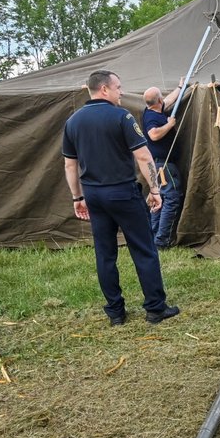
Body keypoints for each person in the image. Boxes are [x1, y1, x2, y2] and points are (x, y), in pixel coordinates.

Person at [63, 69, 180, 326]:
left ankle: (115, 313)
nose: (122, 92)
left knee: (105, 254)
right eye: (118, 87)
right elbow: (143, 156)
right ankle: (155, 308)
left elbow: (70, 166)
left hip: (94, 195)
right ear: (104, 89)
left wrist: (76, 198)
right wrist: (155, 190)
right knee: (144, 249)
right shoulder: (122, 117)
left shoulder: (73, 121)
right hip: (123, 194)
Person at [141, 77, 186, 249]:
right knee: (171, 198)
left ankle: (154, 237)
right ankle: (162, 241)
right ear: (158, 100)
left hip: (157, 165)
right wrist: (169, 125)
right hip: (164, 166)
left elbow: (167, 100)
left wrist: (180, 87)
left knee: (158, 199)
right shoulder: (154, 118)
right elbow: (153, 135)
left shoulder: (151, 110)